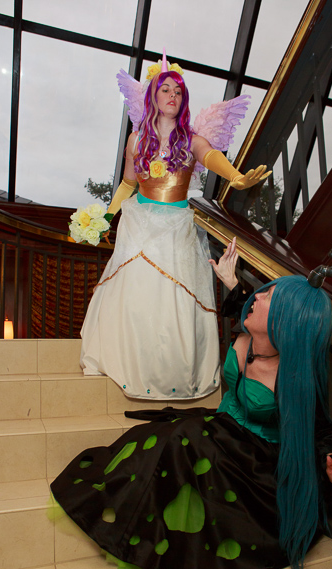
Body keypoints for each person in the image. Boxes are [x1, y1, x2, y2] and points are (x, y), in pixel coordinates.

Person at [51, 271, 332, 569]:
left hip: (253, 458)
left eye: (269, 297)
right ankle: (131, 512)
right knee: (156, 439)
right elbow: (242, 305)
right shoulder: (247, 337)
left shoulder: (293, 376)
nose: (258, 296)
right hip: (221, 427)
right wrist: (231, 283)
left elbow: (321, 430)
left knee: (185, 443)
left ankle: (158, 537)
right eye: (264, 290)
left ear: (286, 321)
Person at [79, 62, 270, 400]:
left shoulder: (191, 140)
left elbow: (210, 157)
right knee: (137, 295)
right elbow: (128, 183)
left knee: (174, 300)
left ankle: (169, 372)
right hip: (140, 222)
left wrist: (237, 177)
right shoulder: (137, 139)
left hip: (177, 226)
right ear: (153, 96)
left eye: (178, 91)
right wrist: (107, 216)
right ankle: (133, 363)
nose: (172, 95)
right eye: (165, 89)